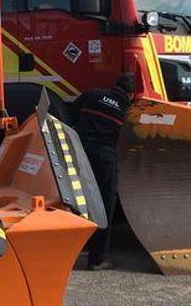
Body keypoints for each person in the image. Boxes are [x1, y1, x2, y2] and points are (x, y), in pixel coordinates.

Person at [72, 73, 135, 271]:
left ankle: (73, 248)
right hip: (104, 157)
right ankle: (97, 259)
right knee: (104, 205)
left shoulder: (92, 95)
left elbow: (71, 112)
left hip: (80, 152)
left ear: (113, 85)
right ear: (131, 94)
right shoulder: (128, 111)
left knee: (78, 200)